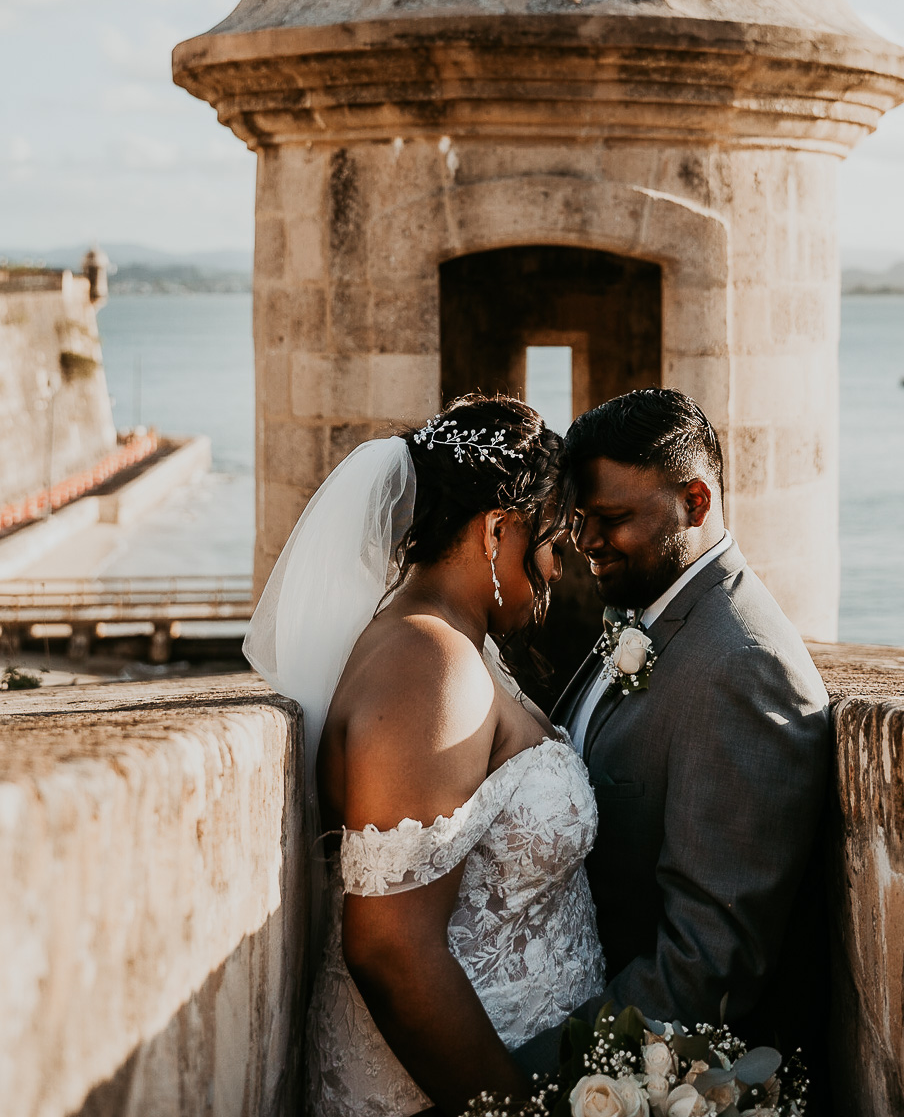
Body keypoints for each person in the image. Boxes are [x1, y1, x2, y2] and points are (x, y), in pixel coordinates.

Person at [244, 394, 605, 1117]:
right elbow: (390, 948)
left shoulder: (451, 642)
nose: (559, 570)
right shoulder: (427, 664)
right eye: (552, 542)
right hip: (436, 1091)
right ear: (498, 529)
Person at [515, 388, 830, 1080]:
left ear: (696, 501)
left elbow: (707, 961)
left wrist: (527, 1077)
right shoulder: (645, 614)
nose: (586, 542)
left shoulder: (743, 667)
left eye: (613, 518)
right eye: (580, 519)